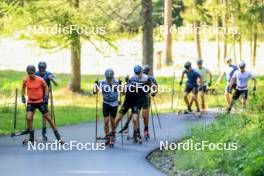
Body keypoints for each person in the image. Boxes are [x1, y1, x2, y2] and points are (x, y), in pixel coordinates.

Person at [22, 65, 63, 144]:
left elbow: (46, 87)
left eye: (31, 73)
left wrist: (46, 96)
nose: (30, 75)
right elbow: (23, 87)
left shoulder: (40, 79)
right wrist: (23, 96)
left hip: (40, 101)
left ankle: (58, 137)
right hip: (31, 102)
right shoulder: (25, 80)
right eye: (29, 73)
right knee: (29, 117)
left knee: (48, 118)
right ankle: (31, 137)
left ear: (34, 72)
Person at [93, 69, 120, 146]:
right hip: (106, 103)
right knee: (106, 121)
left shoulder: (117, 82)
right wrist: (95, 86)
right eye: (108, 78)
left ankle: (113, 133)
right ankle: (108, 138)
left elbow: (123, 92)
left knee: (112, 121)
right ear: (105, 77)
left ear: (113, 77)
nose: (109, 80)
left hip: (114, 103)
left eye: (110, 78)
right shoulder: (102, 83)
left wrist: (121, 86)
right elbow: (95, 92)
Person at [115, 68, 142, 143]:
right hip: (126, 103)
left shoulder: (139, 87)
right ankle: (112, 133)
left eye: (135, 85)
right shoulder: (127, 86)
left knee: (135, 119)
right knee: (118, 118)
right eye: (132, 85)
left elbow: (147, 90)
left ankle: (136, 134)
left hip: (135, 104)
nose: (134, 86)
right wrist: (119, 98)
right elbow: (121, 93)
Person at [35, 61, 58, 141]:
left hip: (45, 96)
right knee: (32, 112)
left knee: (44, 114)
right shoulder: (35, 74)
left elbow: (56, 84)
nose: (42, 71)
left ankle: (43, 131)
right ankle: (30, 131)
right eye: (40, 69)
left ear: (45, 69)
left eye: (43, 70)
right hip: (36, 95)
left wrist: (52, 79)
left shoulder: (48, 74)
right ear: (38, 69)